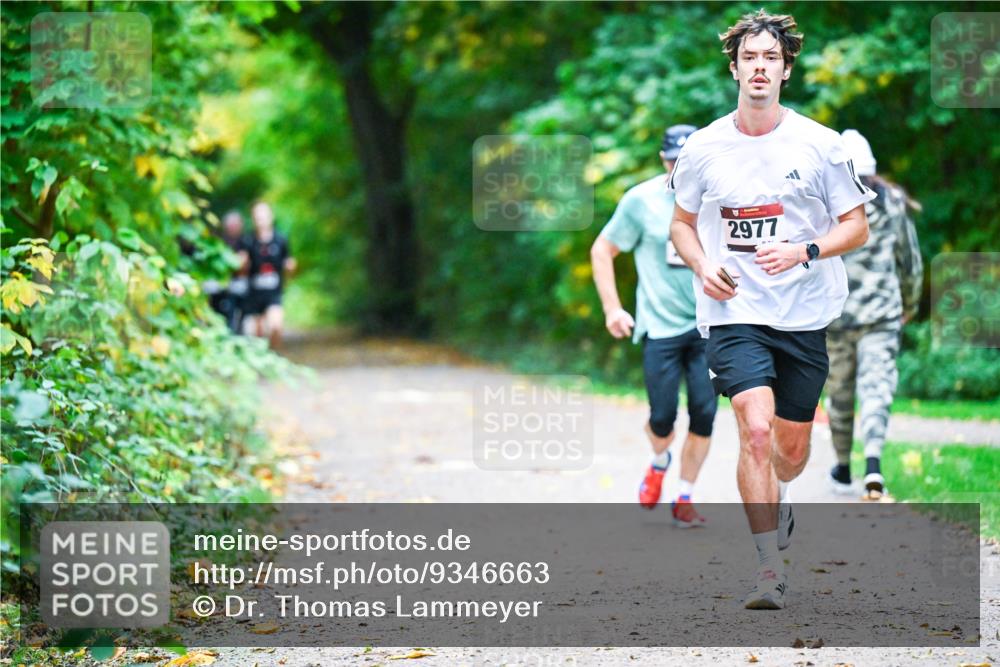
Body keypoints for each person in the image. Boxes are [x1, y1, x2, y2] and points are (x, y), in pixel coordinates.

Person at [666, 10, 874, 609]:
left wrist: (804, 249)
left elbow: (855, 226)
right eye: (749, 58)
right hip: (733, 311)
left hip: (804, 313)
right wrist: (704, 266)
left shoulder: (820, 145)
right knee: (753, 430)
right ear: (734, 68)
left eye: (770, 59)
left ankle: (783, 497)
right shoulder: (704, 148)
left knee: (790, 450)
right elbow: (682, 225)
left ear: (785, 70)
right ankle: (767, 570)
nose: (759, 68)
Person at [591, 125, 719, 527]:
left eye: (684, 161)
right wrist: (613, 309)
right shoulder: (640, 201)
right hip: (660, 327)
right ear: (662, 160)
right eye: (670, 161)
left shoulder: (717, 199)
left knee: (704, 412)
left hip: (707, 326)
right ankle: (660, 459)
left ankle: (684, 496)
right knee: (662, 417)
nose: (676, 168)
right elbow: (602, 249)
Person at [826, 129, 923, 500]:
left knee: (840, 392)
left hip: (836, 316)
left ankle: (841, 467)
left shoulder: (827, 206)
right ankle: (873, 464)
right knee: (876, 388)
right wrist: (910, 306)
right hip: (882, 314)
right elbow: (910, 260)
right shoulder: (893, 203)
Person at [244, 201, 296, 349]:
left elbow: (288, 262)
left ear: (271, 216)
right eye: (257, 215)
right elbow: (240, 267)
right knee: (255, 334)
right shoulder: (248, 241)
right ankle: (261, 364)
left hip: (274, 293)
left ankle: (274, 356)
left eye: (263, 215)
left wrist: (290, 267)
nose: (260, 218)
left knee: (275, 327)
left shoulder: (280, 240)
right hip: (254, 294)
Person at [205, 210, 250, 333]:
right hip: (219, 281)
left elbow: (245, 265)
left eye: (235, 225)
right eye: (230, 225)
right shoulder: (218, 241)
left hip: (238, 283)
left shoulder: (246, 242)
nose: (232, 228)